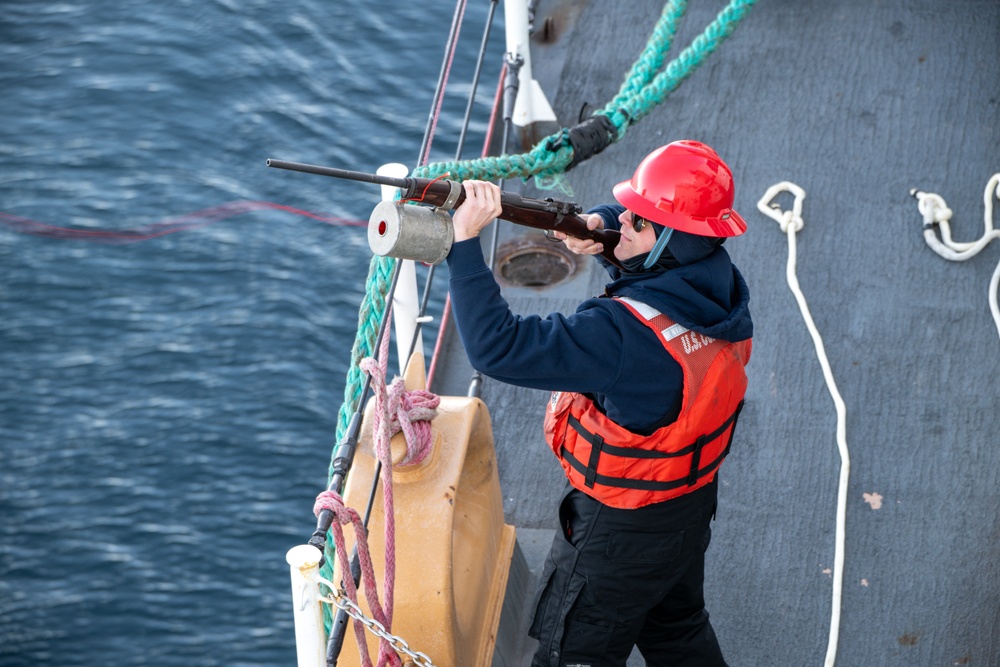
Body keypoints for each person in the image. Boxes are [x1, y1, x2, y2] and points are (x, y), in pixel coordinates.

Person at [445, 140, 753, 667]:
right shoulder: (720, 286)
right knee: (677, 630)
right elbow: (660, 264)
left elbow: (497, 348)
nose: (624, 221)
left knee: (573, 654)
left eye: (638, 220)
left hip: (621, 532)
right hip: (687, 504)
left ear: (669, 242)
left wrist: (463, 243)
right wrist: (602, 229)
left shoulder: (616, 337)